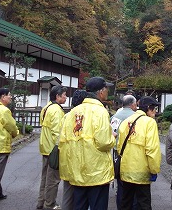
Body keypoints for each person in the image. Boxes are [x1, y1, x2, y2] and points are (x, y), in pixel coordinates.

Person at [59, 76, 115, 210]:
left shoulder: (73, 112)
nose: (107, 91)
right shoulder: (100, 111)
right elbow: (103, 142)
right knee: (98, 206)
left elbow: (63, 141)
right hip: (96, 171)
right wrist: (112, 137)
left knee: (79, 205)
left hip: (77, 171)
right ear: (101, 92)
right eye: (106, 88)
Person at [117, 96, 161, 210]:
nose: (155, 112)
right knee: (143, 203)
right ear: (148, 108)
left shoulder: (126, 121)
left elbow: (119, 146)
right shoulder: (150, 123)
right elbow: (152, 149)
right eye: (154, 109)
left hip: (126, 169)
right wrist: (154, 169)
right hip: (142, 170)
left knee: (126, 201)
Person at [37, 85, 67, 210]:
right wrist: (61, 148)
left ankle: (41, 201)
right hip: (53, 149)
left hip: (45, 147)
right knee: (53, 180)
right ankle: (49, 204)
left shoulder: (46, 107)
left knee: (45, 177)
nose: (66, 97)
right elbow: (57, 132)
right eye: (64, 95)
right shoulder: (56, 110)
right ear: (58, 96)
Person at [59, 89, 87, 210]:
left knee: (68, 195)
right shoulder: (86, 117)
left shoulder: (66, 116)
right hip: (81, 162)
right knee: (82, 196)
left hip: (67, 159)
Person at [110, 94, 138, 210]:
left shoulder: (115, 117)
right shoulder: (135, 117)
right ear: (132, 104)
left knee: (120, 181)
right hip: (131, 152)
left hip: (116, 151)